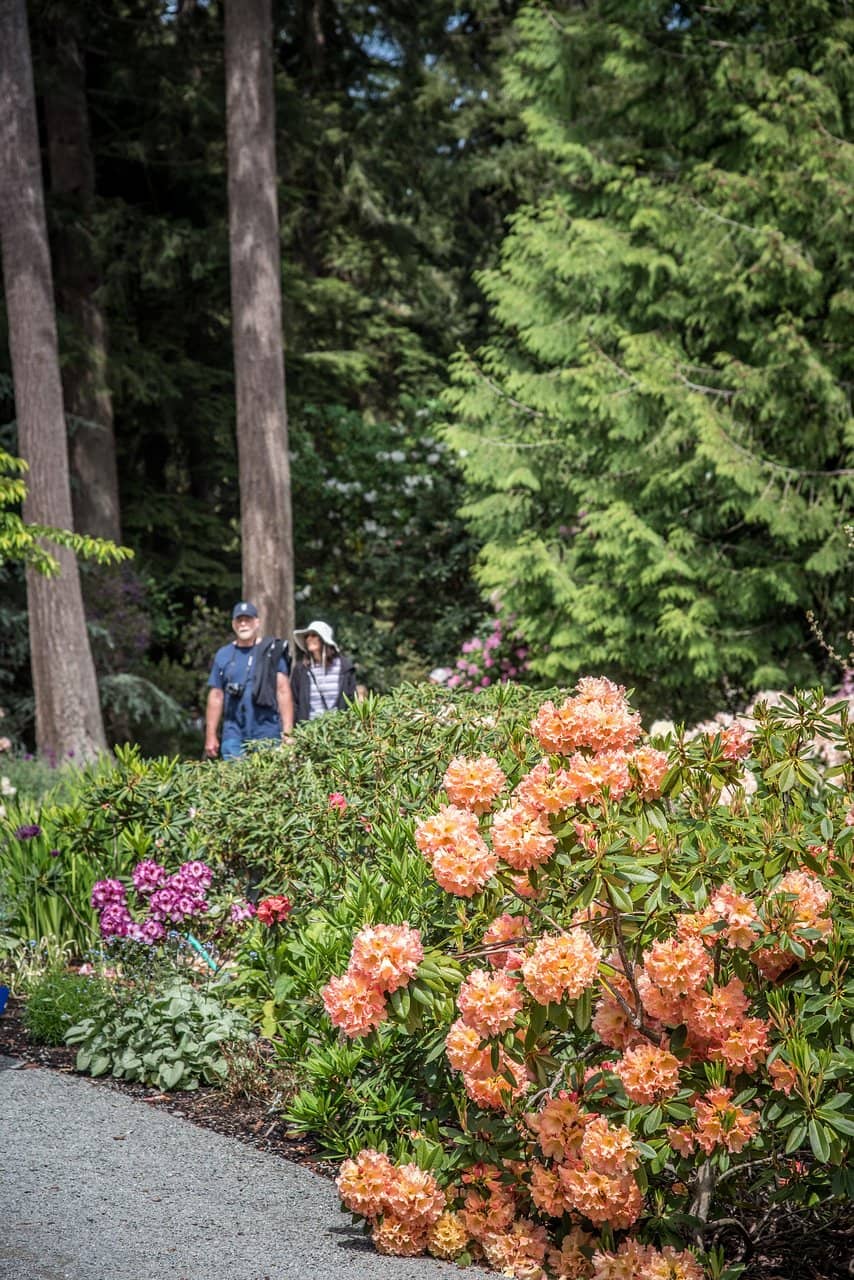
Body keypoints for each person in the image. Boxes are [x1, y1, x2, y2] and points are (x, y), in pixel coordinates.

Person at [204, 602, 294, 760]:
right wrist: (211, 735)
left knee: (267, 782)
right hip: (233, 734)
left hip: (267, 732)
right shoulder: (223, 655)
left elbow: (283, 690)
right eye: (239, 620)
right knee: (234, 782)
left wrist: (287, 732)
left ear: (257, 622)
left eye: (248, 620)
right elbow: (216, 695)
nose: (243, 624)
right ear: (233, 624)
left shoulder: (271, 652)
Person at [290, 619, 358, 722]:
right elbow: (294, 703)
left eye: (313, 635)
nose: (308, 639)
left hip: (338, 729)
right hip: (309, 731)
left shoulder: (344, 667)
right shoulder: (301, 669)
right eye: (307, 636)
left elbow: (352, 699)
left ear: (323, 639)